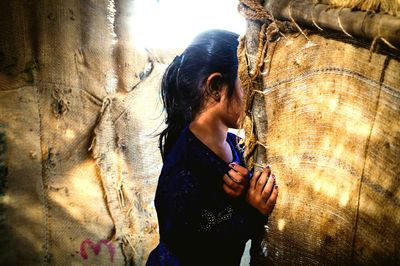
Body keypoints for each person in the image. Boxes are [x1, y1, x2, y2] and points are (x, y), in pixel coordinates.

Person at [146, 29, 278, 266]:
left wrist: (245, 188)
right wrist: (251, 210)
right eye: (245, 82)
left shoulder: (232, 145)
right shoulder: (184, 171)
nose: (253, 94)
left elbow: (216, 214)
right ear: (216, 86)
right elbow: (198, 249)